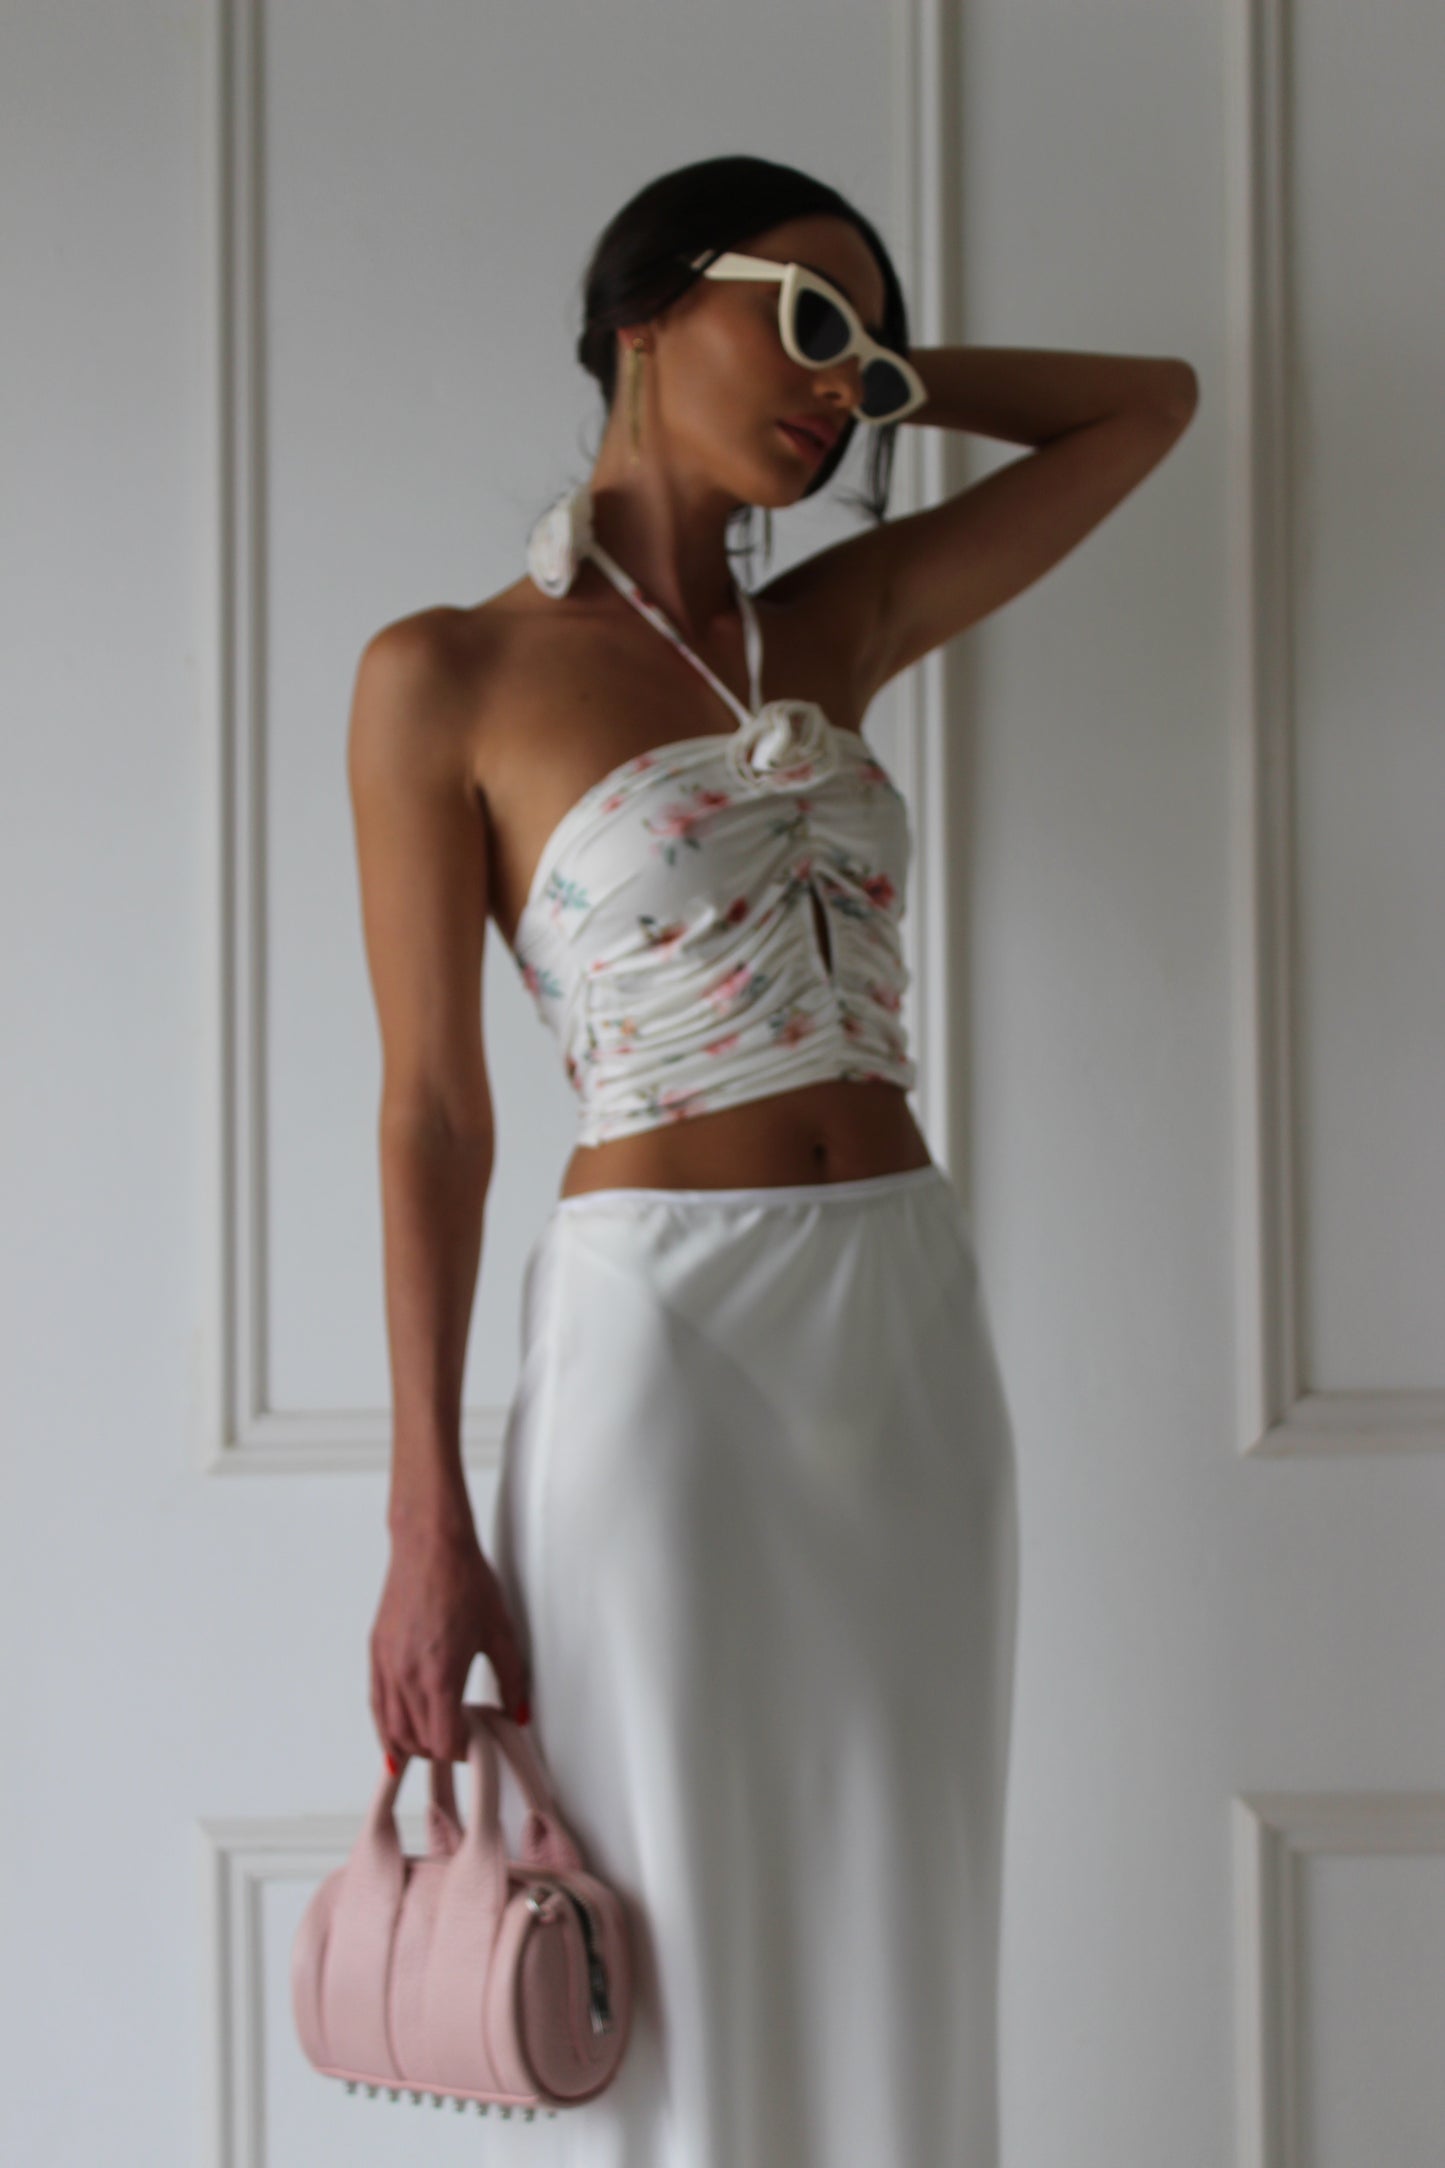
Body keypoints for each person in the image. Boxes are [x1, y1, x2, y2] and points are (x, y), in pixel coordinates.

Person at [349, 154, 1196, 2166]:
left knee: (909, 1897)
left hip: (901, 1324)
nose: (837, 392)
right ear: (643, 316)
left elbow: (1145, 405)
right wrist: (424, 1517)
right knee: (679, 1921)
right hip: (663, 1344)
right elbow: (434, 1109)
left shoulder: (836, 620)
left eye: (865, 357)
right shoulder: (445, 674)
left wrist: (890, 367)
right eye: (804, 323)